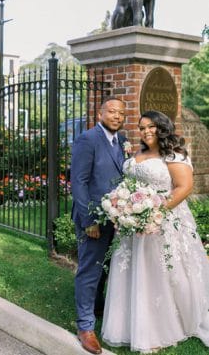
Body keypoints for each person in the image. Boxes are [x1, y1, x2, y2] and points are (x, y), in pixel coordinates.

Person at [102, 110, 209, 353]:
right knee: (134, 271)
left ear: (163, 128)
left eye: (151, 127)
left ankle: (171, 323)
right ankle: (129, 325)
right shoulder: (138, 152)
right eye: (142, 128)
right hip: (133, 224)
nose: (146, 131)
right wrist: (124, 206)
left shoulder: (174, 154)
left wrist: (155, 213)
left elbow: (184, 187)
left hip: (163, 222)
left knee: (164, 272)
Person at [71, 97, 127, 354]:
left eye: (121, 113)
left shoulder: (122, 141)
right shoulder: (88, 139)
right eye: (112, 111)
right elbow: (79, 182)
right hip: (93, 219)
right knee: (89, 270)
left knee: (105, 268)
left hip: (116, 218)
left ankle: (98, 305)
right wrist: (89, 220)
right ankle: (85, 326)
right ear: (101, 113)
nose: (117, 116)